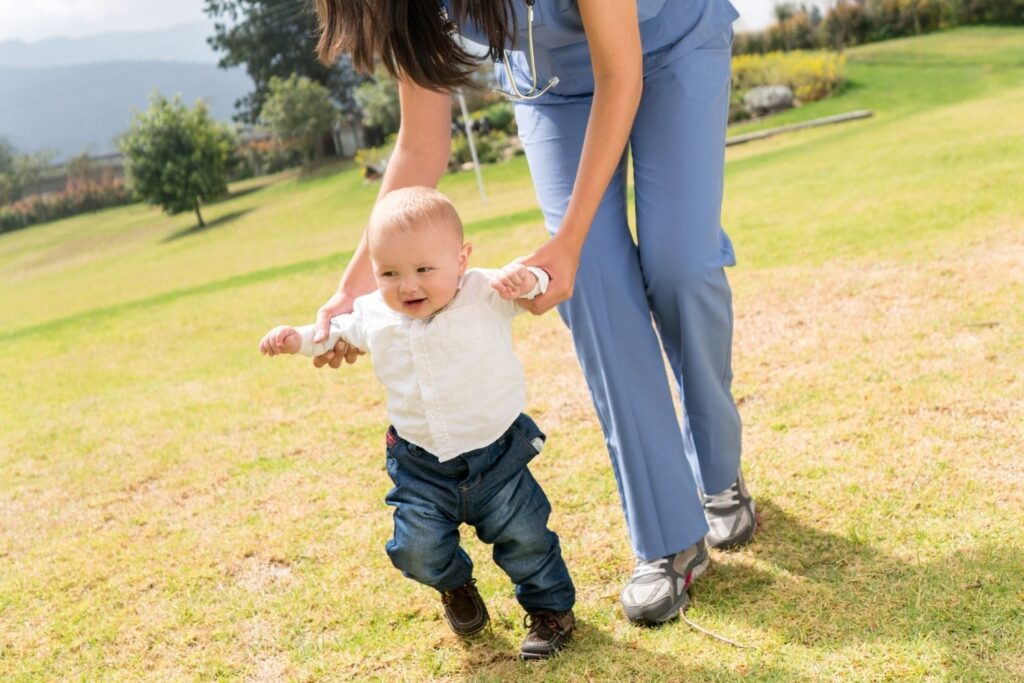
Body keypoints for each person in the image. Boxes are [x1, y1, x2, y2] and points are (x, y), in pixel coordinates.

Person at [310, 0, 757, 626]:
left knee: (680, 264)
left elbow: (620, 73)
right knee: (596, 289)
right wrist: (350, 293)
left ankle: (717, 468)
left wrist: (567, 242)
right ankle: (666, 538)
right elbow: (419, 147)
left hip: (667, 46)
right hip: (553, 90)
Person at [259, 187, 576, 659]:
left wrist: (526, 278)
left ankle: (551, 611)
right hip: (420, 465)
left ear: (461, 259)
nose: (408, 286)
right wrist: (296, 340)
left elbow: (534, 286)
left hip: (498, 456)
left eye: (425, 270)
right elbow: (334, 334)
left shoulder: (484, 292)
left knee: (527, 537)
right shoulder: (373, 313)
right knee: (415, 548)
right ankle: (455, 584)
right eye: (389, 273)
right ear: (373, 272)